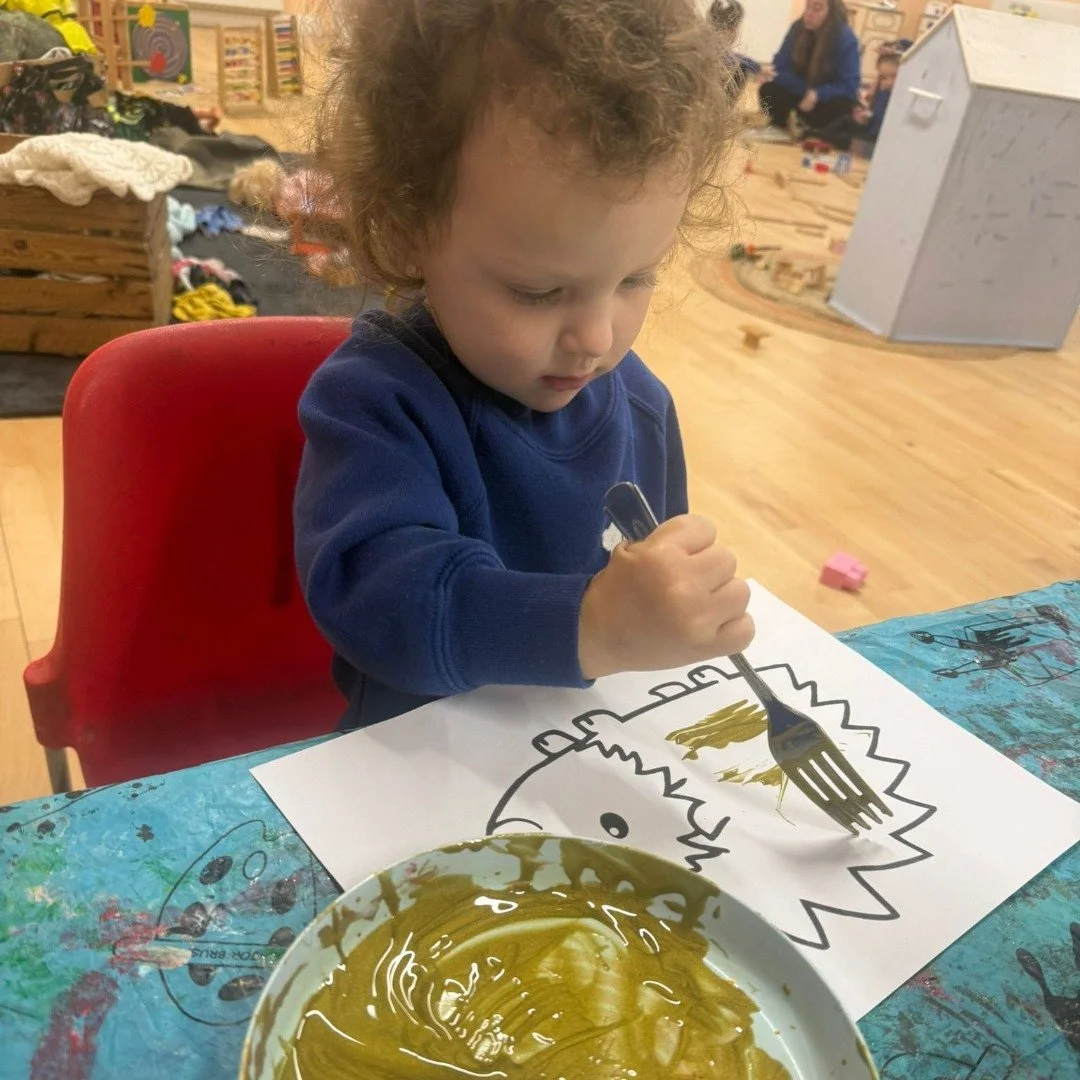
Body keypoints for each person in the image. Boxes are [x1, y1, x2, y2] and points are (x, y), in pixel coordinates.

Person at [294, 0, 754, 731]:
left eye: (637, 277)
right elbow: (381, 609)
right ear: (410, 227)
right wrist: (590, 626)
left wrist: (676, 606)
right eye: (539, 291)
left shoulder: (642, 406)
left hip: (593, 755)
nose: (597, 337)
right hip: (420, 770)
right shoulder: (375, 402)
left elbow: (647, 588)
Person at [758, 0, 860, 131]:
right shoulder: (797, 28)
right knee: (768, 89)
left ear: (831, 13)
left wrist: (819, 93)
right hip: (800, 92)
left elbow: (850, 86)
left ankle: (804, 124)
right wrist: (806, 90)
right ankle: (792, 122)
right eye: (807, 7)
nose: (809, 14)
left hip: (823, 100)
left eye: (816, 9)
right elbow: (779, 67)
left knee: (842, 106)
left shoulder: (845, 38)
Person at [813, 43, 906, 151]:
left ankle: (816, 136)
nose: (889, 82)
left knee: (846, 140)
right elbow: (874, 117)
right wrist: (865, 118)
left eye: (894, 76)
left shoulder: (901, 98)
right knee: (845, 120)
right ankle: (817, 135)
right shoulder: (883, 92)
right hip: (869, 132)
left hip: (877, 143)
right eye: (884, 77)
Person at [707, 0, 761, 96]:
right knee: (742, 69)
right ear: (731, 30)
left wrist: (756, 66)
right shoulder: (712, 46)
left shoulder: (708, 40)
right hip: (709, 95)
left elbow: (731, 57)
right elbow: (729, 59)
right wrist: (756, 67)